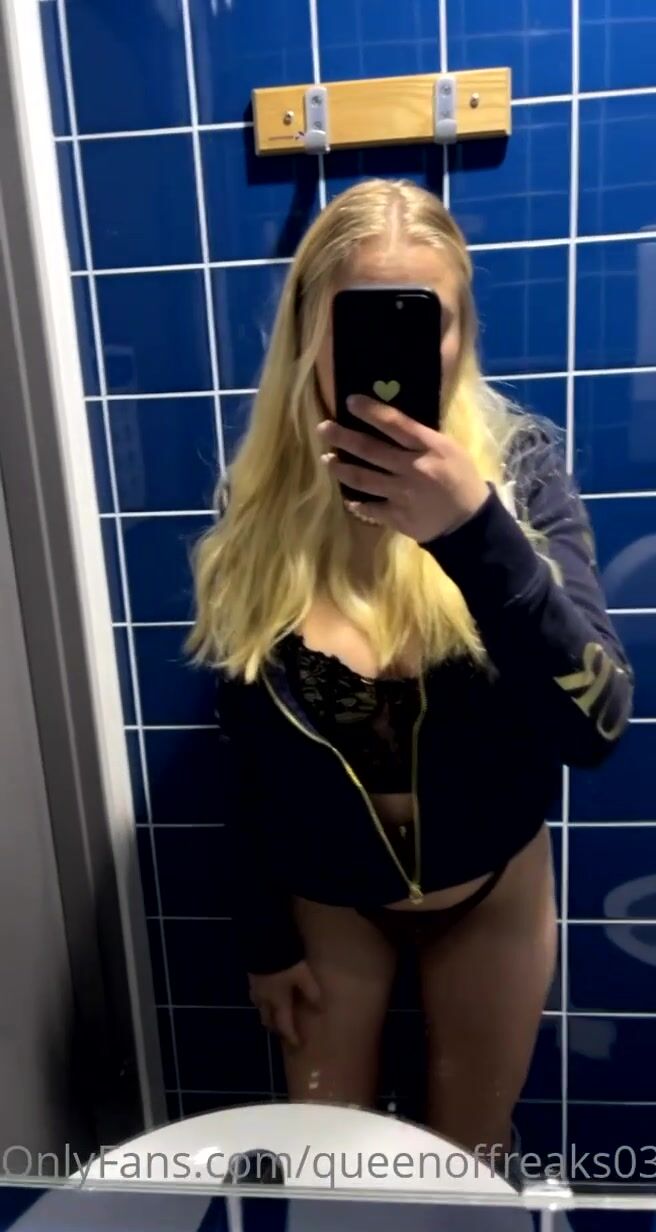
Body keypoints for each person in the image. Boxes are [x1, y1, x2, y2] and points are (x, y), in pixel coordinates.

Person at [187, 180, 633, 1163]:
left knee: (465, 1167)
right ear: (308, 335)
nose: (393, 357)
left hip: (492, 894)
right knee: (325, 1166)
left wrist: (472, 533)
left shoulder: (520, 477)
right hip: (328, 902)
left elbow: (596, 725)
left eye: (424, 323)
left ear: (462, 336)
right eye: (359, 322)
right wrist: (263, 937)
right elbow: (245, 752)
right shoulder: (259, 507)